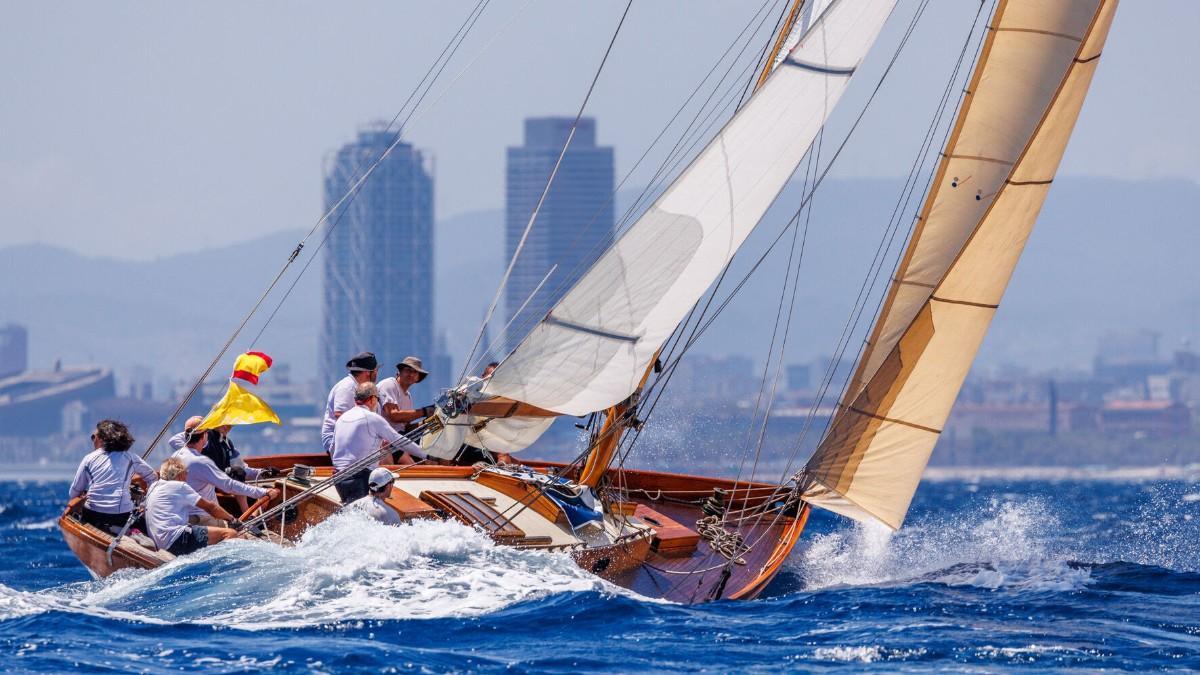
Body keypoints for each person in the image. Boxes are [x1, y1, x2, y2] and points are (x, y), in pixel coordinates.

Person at [332, 382, 427, 504]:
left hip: (338, 478)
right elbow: (399, 441)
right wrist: (426, 455)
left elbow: (333, 447)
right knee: (366, 515)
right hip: (360, 477)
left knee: (352, 511)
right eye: (378, 399)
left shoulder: (342, 418)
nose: (377, 403)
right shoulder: (372, 418)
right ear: (372, 399)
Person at [172, 423, 279, 523]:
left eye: (230, 424)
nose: (227, 427)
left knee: (238, 472)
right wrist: (201, 427)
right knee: (238, 477)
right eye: (224, 423)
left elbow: (242, 468)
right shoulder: (201, 448)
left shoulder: (227, 444)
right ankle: (247, 516)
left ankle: (249, 517)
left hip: (214, 485)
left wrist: (263, 472)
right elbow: (174, 440)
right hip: (208, 501)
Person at [68, 419, 158, 534]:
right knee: (145, 526)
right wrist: (144, 504)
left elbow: (73, 493)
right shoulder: (131, 458)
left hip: (93, 515)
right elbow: (153, 478)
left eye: (93, 437)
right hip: (121, 516)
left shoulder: (88, 458)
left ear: (102, 439)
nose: (93, 440)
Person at [144, 457, 239, 556]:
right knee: (230, 534)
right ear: (180, 474)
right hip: (177, 540)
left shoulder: (153, 487)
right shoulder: (180, 486)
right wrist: (232, 519)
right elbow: (211, 508)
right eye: (186, 473)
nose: (186, 477)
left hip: (162, 544)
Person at [321, 352, 380, 455]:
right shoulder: (347, 387)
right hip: (337, 440)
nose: (377, 373)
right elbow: (340, 415)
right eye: (376, 370)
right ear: (368, 372)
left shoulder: (358, 387)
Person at [378, 356, 435, 435]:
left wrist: (428, 422)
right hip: (383, 441)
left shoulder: (408, 396)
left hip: (397, 440)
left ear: (418, 378)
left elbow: (406, 428)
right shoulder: (389, 384)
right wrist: (425, 411)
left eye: (415, 372)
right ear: (399, 372)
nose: (411, 374)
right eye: (408, 370)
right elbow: (394, 416)